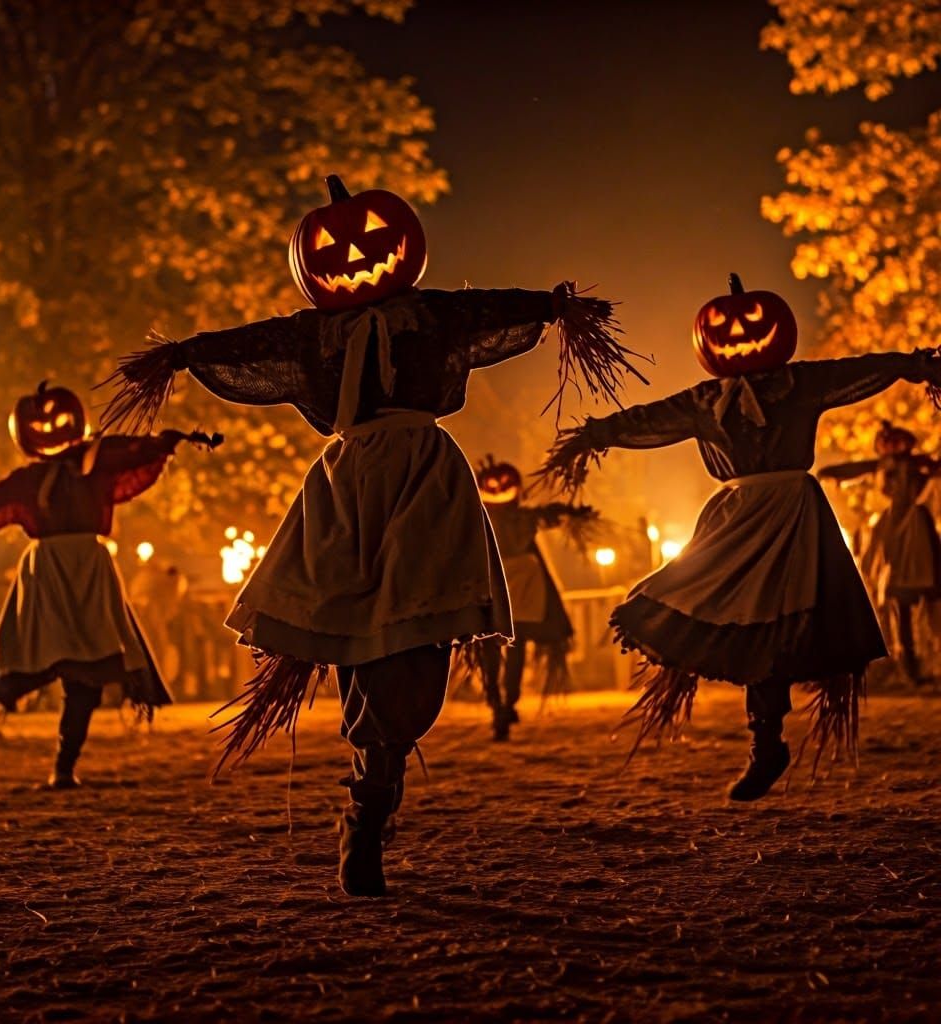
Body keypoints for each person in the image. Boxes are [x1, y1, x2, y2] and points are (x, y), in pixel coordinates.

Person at [102, 174, 643, 896]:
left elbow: (494, 310)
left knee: (414, 647)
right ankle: (368, 797)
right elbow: (244, 344)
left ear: (402, 244)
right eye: (335, 245)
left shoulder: (433, 317)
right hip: (348, 485)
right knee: (360, 636)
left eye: (371, 239)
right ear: (312, 261)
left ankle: (375, 782)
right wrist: (182, 356)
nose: (355, 252)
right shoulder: (310, 335)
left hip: (424, 480)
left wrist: (553, 308)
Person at [543, 272, 941, 801]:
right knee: (724, 608)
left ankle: (766, 741)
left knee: (778, 623)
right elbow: (650, 418)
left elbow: (859, 370)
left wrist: (913, 365)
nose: (740, 332)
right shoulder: (706, 400)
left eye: (752, 321)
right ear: (708, 341)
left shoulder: (800, 384)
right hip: (736, 518)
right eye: (724, 327)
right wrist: (595, 434)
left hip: (794, 514)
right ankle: (765, 740)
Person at [0, 381, 221, 787]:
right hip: (49, 573)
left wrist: (167, 442)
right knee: (57, 658)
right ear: (25, 432)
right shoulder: (29, 480)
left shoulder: (98, 463)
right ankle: (60, 758)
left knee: (88, 672)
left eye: (59, 417)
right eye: (41, 421)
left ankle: (64, 764)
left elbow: (134, 453)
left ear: (75, 420)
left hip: (92, 571)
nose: (51, 426)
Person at [474, 456, 593, 740]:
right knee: (501, 648)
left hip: (515, 587)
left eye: (503, 483)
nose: (498, 488)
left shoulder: (511, 518)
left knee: (503, 647)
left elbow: (550, 514)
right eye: (492, 484)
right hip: (498, 586)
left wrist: (571, 513)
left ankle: (503, 703)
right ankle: (500, 703)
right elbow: (549, 514)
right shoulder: (481, 518)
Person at [819, 422, 941, 683]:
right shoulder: (882, 469)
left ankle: (924, 663)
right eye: (887, 443)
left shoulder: (918, 466)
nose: (891, 448)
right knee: (899, 601)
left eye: (896, 442)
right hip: (895, 535)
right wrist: (832, 473)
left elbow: (932, 471)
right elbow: (857, 468)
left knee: (927, 597)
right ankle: (910, 668)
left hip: (917, 534)